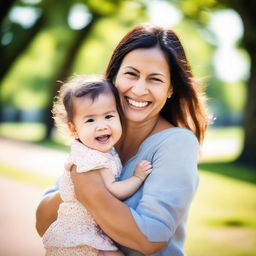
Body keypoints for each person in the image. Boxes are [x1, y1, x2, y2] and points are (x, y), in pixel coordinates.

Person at [36, 23, 208, 256]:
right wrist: (72, 189)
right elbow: (44, 223)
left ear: (170, 89)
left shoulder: (177, 143)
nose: (139, 89)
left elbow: (150, 239)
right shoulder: (98, 135)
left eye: (155, 79)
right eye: (131, 74)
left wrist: (90, 190)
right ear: (114, 76)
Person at [42, 75, 152, 256]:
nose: (101, 126)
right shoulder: (93, 160)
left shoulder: (96, 150)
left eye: (108, 116)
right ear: (74, 129)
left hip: (78, 231)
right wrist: (138, 177)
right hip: (80, 235)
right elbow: (114, 189)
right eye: (90, 120)